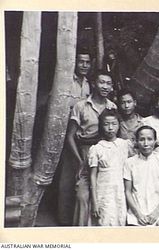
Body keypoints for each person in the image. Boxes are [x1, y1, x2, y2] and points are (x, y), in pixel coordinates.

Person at [67, 70, 117, 226]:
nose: (105, 87)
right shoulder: (81, 106)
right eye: (102, 82)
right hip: (85, 152)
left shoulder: (112, 106)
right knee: (83, 195)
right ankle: (80, 233)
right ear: (94, 83)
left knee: (104, 195)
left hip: (107, 155)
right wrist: (80, 161)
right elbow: (70, 137)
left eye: (109, 84)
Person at [57, 48, 92, 226]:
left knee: (80, 177)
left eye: (87, 62)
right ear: (74, 62)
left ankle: (75, 219)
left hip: (81, 137)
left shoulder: (87, 84)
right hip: (64, 134)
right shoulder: (64, 81)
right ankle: (63, 220)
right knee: (66, 177)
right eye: (81, 61)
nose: (84, 65)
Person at [124, 125, 159, 226]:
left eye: (150, 139)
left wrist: (157, 212)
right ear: (136, 141)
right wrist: (138, 214)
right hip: (136, 217)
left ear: (155, 141)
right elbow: (128, 191)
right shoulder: (129, 162)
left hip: (158, 216)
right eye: (142, 139)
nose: (146, 143)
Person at [88, 109, 129, 226]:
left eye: (114, 124)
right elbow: (92, 176)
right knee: (104, 222)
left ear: (119, 125)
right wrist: (95, 202)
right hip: (104, 192)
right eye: (106, 124)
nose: (110, 128)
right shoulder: (97, 148)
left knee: (120, 220)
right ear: (101, 126)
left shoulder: (125, 145)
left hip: (120, 191)